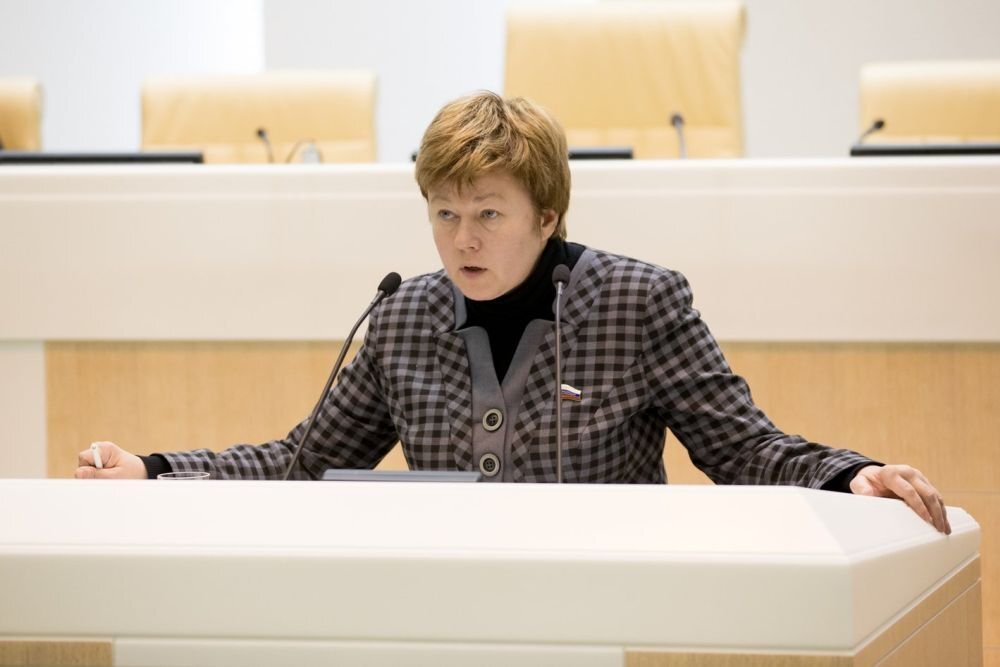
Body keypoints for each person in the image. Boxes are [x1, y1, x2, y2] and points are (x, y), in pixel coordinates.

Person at [76, 91, 950, 534]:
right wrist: (153, 469)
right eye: (444, 212)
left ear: (547, 215)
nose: (463, 238)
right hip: (451, 610)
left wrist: (852, 475)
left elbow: (745, 449)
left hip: (611, 609)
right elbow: (299, 463)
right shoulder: (404, 317)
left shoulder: (639, 302)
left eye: (489, 213)